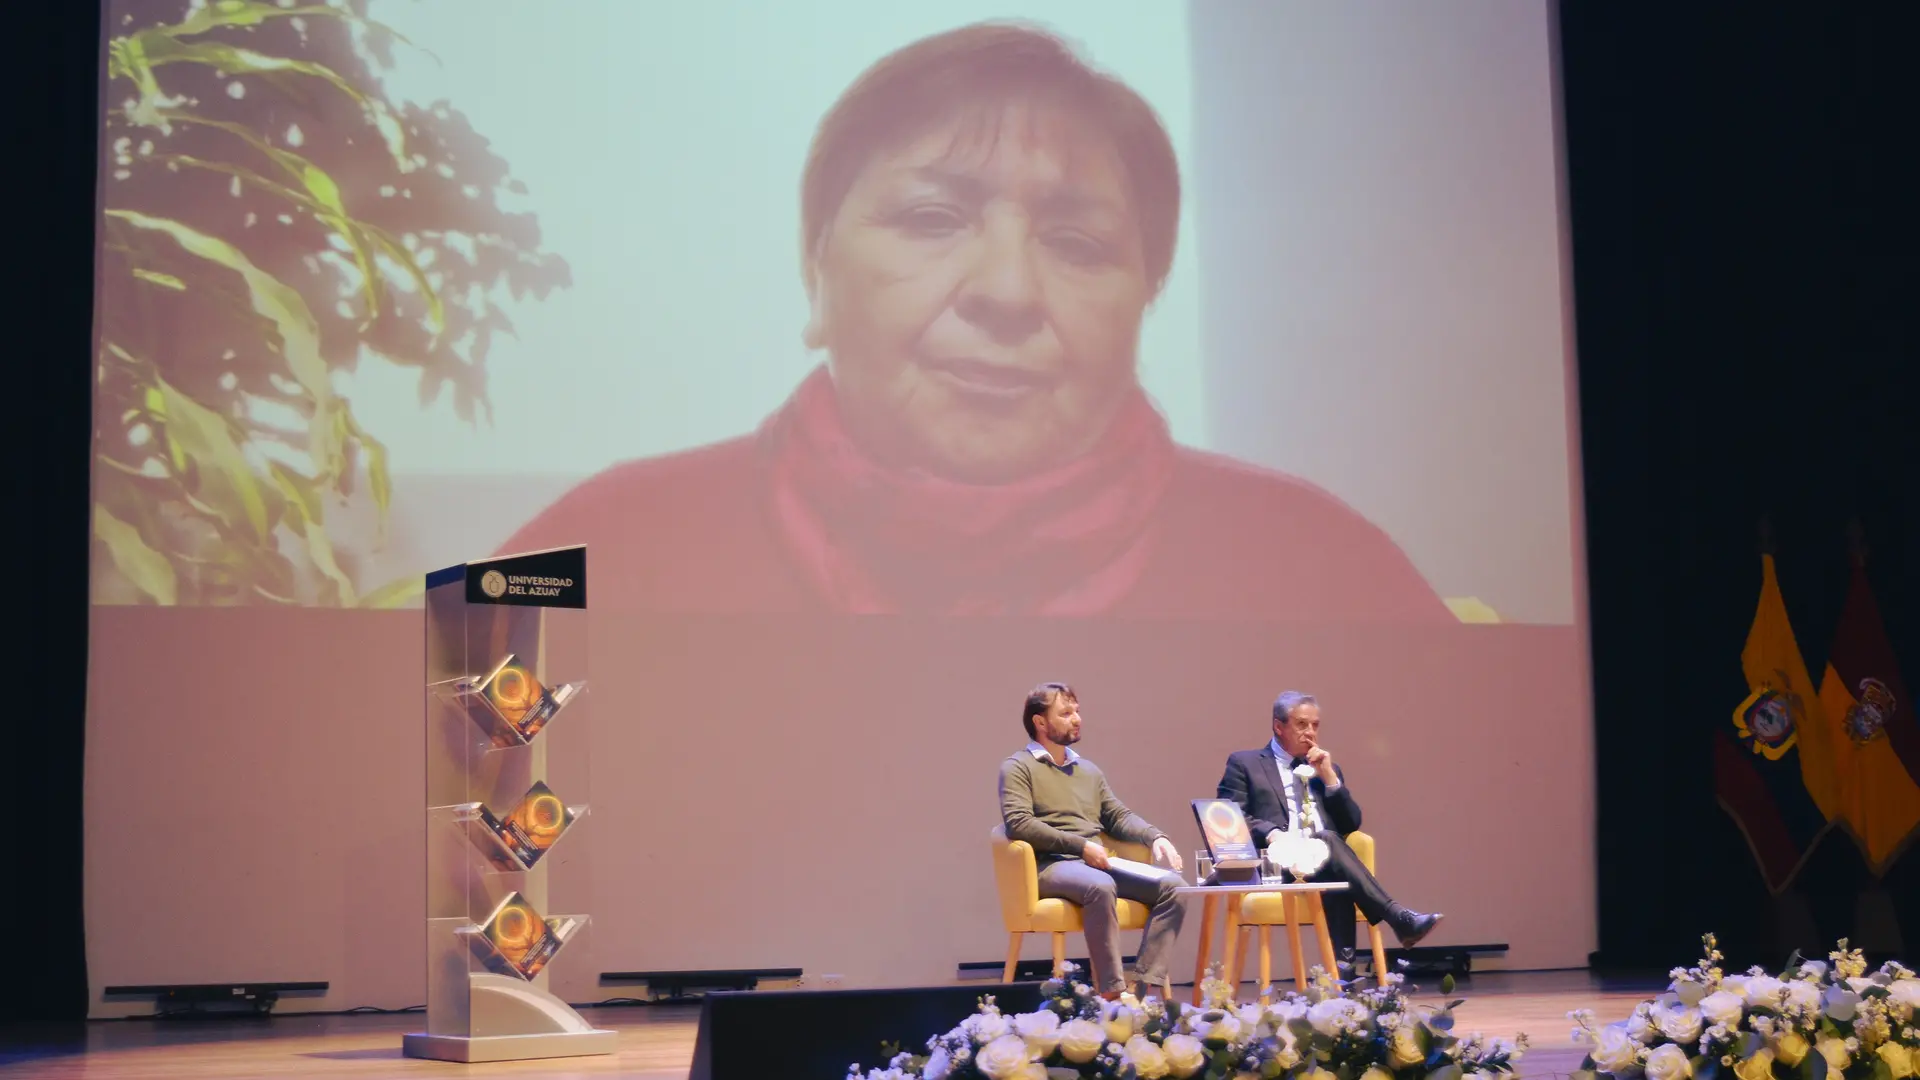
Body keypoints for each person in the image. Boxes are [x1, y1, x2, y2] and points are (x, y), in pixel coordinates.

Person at [499, 22, 1453, 621]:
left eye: (1077, 244)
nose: (1007, 290)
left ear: (1146, 294)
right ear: (814, 268)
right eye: (931, 219)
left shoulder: (1322, 568)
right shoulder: (610, 546)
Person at [1216, 690, 1441, 970]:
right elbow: (1230, 817)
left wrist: (1331, 779)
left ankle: (1342, 980)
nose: (1310, 732)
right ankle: (1397, 918)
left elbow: (1351, 824)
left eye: (1315, 725)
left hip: (1323, 861)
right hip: (1278, 864)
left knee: (1333, 863)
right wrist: (1272, 832)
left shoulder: (1325, 769)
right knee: (1329, 849)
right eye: (1301, 724)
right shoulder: (1245, 764)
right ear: (1278, 726)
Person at [998, 682, 1186, 998]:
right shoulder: (1017, 767)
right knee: (1100, 886)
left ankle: (1140, 987)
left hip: (1096, 860)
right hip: (1052, 865)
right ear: (1040, 722)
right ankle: (1111, 991)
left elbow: (1117, 815)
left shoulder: (1088, 770)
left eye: (1077, 712)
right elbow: (1019, 824)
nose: (1077, 719)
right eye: (1066, 713)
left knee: (1175, 888)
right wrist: (1080, 846)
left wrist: (1155, 836)